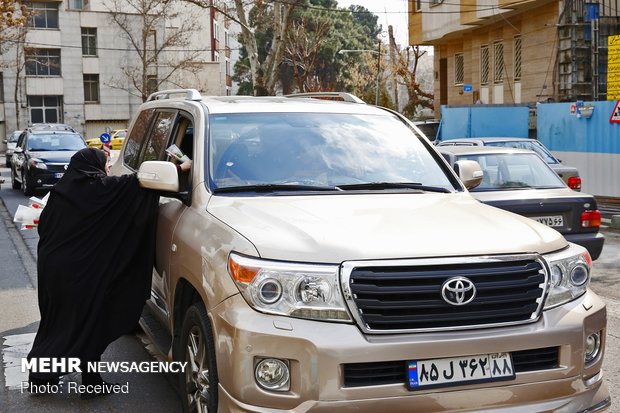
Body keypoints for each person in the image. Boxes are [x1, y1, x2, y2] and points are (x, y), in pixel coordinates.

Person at [26, 147, 190, 397]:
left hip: (53, 269)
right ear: (92, 166)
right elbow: (137, 185)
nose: (106, 170)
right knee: (88, 322)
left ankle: (74, 379)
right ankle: (51, 376)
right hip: (80, 273)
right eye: (104, 165)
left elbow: (45, 228)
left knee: (58, 323)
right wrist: (181, 168)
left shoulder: (61, 192)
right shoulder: (101, 190)